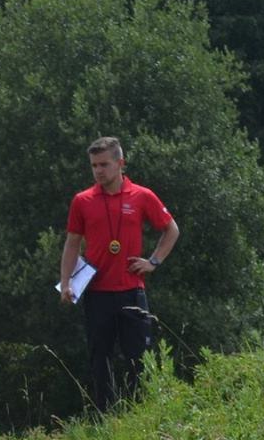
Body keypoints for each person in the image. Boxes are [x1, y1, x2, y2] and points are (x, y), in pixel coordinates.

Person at [59, 136, 179, 412]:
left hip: (131, 291)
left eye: (104, 164)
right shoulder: (83, 200)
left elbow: (171, 229)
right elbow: (72, 243)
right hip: (97, 293)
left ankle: (143, 414)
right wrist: (66, 283)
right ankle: (105, 419)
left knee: (140, 359)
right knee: (99, 359)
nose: (98, 171)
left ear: (120, 163)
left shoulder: (142, 196)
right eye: (93, 166)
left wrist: (153, 262)